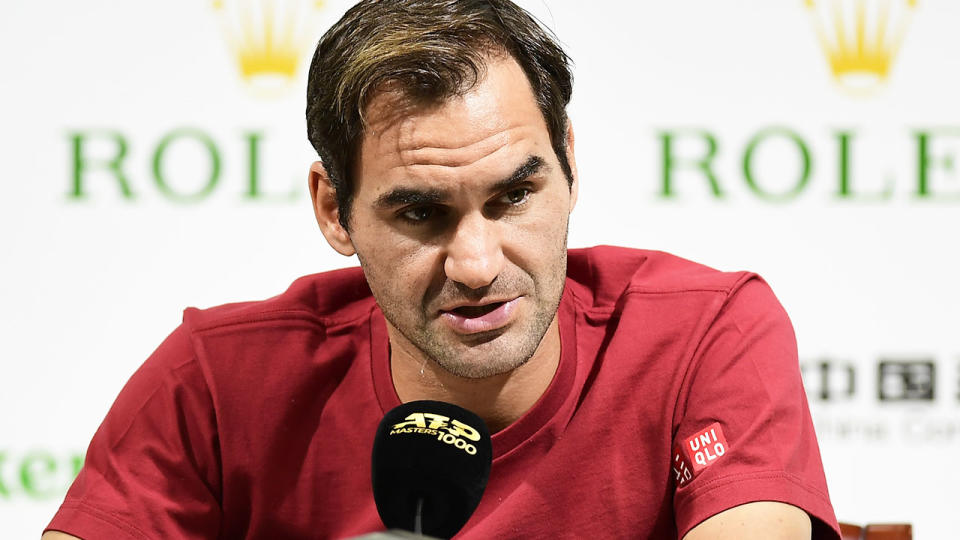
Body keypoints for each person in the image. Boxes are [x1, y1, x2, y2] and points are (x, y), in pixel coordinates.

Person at [43, 1, 841, 538]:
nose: (477, 264)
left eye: (514, 195)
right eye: (419, 213)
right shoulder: (217, 379)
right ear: (333, 210)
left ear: (568, 165)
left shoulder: (705, 331)